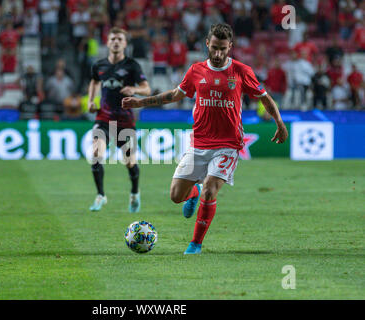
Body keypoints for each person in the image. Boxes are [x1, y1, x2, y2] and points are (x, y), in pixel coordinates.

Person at [122, 23, 288, 254]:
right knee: (175, 196)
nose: (218, 54)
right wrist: (141, 102)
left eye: (223, 49)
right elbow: (174, 95)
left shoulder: (241, 71)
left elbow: (265, 97)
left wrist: (279, 122)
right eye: (214, 48)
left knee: (211, 188)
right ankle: (194, 192)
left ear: (230, 47)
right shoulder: (195, 71)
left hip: (228, 145)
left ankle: (195, 244)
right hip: (199, 144)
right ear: (207, 44)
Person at [87, 27, 151, 213]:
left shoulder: (132, 66)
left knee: (129, 162)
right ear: (107, 43)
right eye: (113, 38)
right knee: (96, 154)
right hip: (104, 118)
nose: (116, 41)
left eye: (119, 39)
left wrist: (134, 90)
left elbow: (146, 89)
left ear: (125, 43)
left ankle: (134, 193)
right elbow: (94, 81)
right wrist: (91, 100)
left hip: (125, 120)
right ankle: (101, 195)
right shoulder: (99, 66)